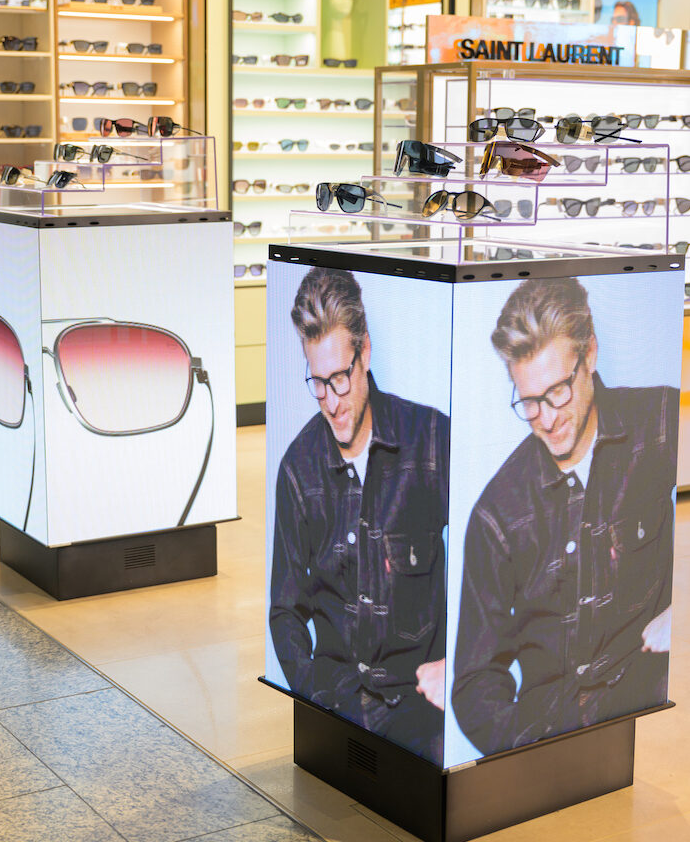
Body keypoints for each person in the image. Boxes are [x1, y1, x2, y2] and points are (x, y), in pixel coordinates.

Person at [452, 276, 678, 757]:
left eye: (557, 391)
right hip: (549, 741)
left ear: (589, 355)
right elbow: (475, 684)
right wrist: (532, 755)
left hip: (653, 739)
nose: (547, 418)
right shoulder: (497, 514)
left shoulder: (661, 424)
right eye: (529, 402)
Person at [270, 267, 449, 763]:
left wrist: (456, 663)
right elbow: (285, 611)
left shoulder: (431, 439)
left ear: (364, 353)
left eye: (340, 378)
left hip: (422, 715)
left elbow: (488, 569)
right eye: (317, 382)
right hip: (339, 707)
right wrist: (316, 694)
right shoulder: (297, 469)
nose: (331, 401)